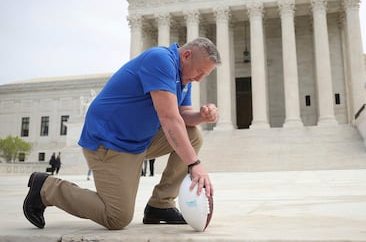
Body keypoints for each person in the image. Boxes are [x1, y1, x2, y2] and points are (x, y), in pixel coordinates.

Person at [23, 37, 221, 230]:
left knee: (193, 135)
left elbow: (183, 115)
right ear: (186, 55)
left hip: (138, 140)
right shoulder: (160, 60)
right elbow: (169, 118)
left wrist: (201, 116)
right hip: (109, 142)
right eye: (199, 72)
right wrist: (194, 164)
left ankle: (160, 205)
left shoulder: (183, 77)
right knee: (116, 217)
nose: (199, 79)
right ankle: (46, 187)